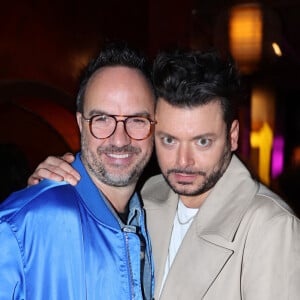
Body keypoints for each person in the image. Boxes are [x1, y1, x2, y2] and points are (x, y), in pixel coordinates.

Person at [28, 49, 300, 299]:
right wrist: (48, 187)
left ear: (232, 137)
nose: (183, 161)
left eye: (202, 141)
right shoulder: (147, 197)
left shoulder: (271, 225)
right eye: (169, 140)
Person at [0, 43, 155, 299]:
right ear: (80, 124)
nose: (119, 139)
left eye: (136, 120)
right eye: (102, 119)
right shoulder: (23, 223)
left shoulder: (159, 221)